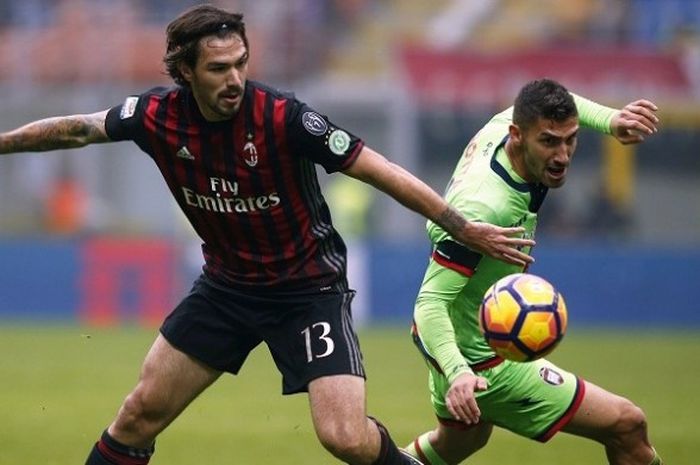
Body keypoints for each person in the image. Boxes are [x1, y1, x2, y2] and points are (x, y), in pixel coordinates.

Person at [0, 5, 537, 465]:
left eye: (240, 63)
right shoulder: (155, 116)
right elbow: (77, 128)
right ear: (185, 71)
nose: (234, 79)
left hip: (306, 290)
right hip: (226, 289)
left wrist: (461, 226)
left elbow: (376, 168)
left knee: (345, 439)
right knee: (139, 414)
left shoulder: (285, 118)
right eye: (217, 68)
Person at [404, 79, 664, 465]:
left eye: (570, 139)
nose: (562, 155)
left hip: (466, 343)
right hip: (482, 364)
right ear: (518, 135)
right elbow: (428, 306)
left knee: (457, 444)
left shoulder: (510, 124)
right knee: (627, 424)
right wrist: (459, 373)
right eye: (549, 142)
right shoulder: (484, 208)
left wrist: (611, 121)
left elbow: (564, 102)